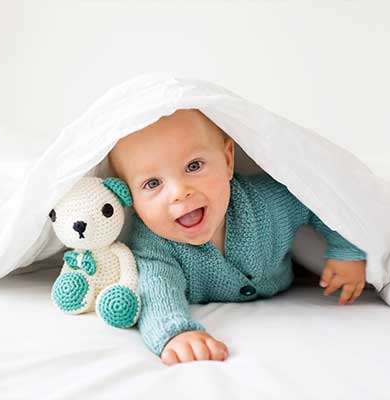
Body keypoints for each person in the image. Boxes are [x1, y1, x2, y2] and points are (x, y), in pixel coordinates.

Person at [107, 109, 367, 366]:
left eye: (194, 166)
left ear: (228, 160)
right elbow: (157, 288)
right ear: (131, 197)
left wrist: (345, 250)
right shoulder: (152, 241)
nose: (179, 192)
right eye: (152, 184)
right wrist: (176, 332)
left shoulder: (267, 202)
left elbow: (319, 199)